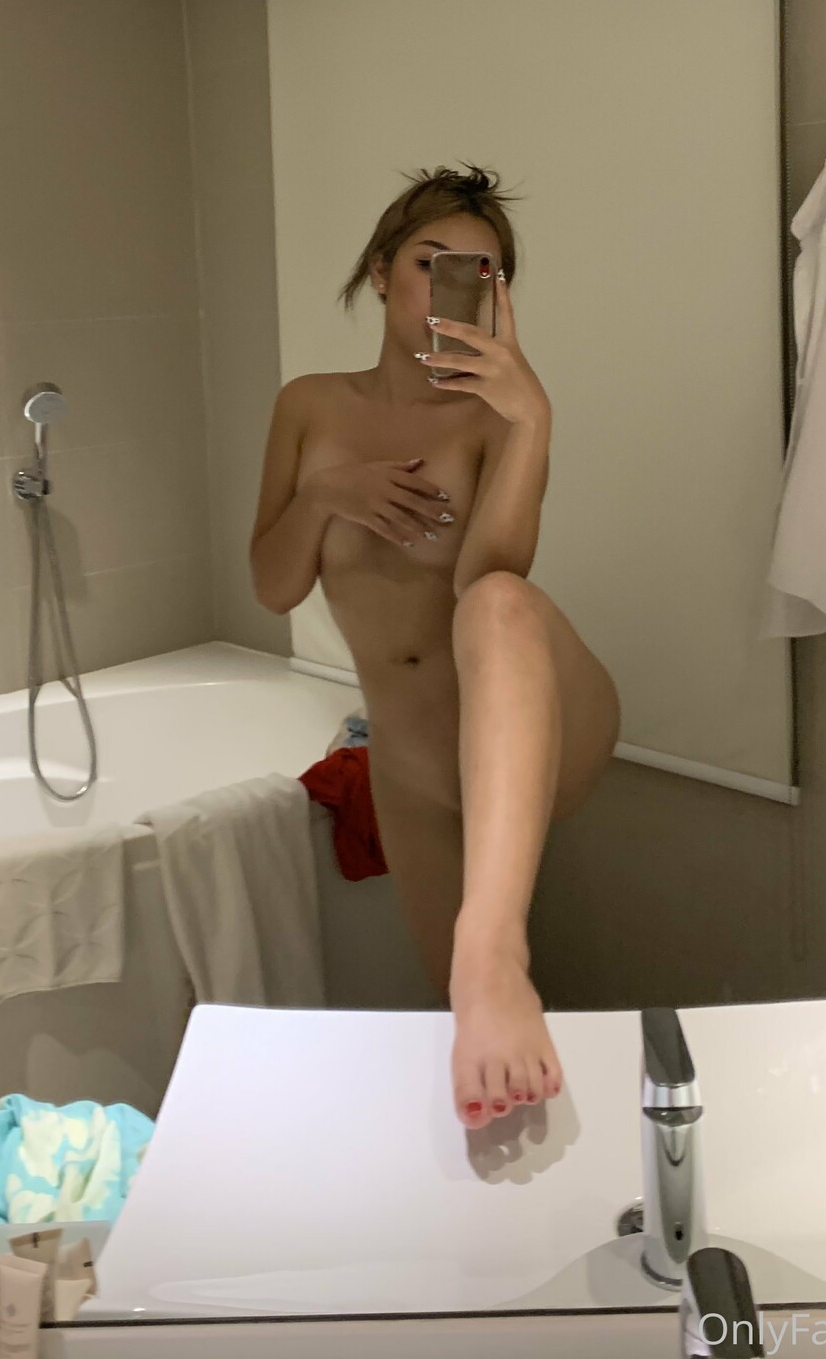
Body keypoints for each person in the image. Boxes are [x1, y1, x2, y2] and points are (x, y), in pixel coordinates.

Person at [250, 164, 621, 1130]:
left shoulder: (496, 416)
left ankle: (497, 950)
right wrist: (324, 495)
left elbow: (485, 584)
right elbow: (273, 585)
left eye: (481, 271)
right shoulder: (308, 407)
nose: (451, 285)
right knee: (464, 1021)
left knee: (497, 603)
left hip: (535, 728)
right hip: (413, 764)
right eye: (430, 261)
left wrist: (532, 420)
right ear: (380, 272)